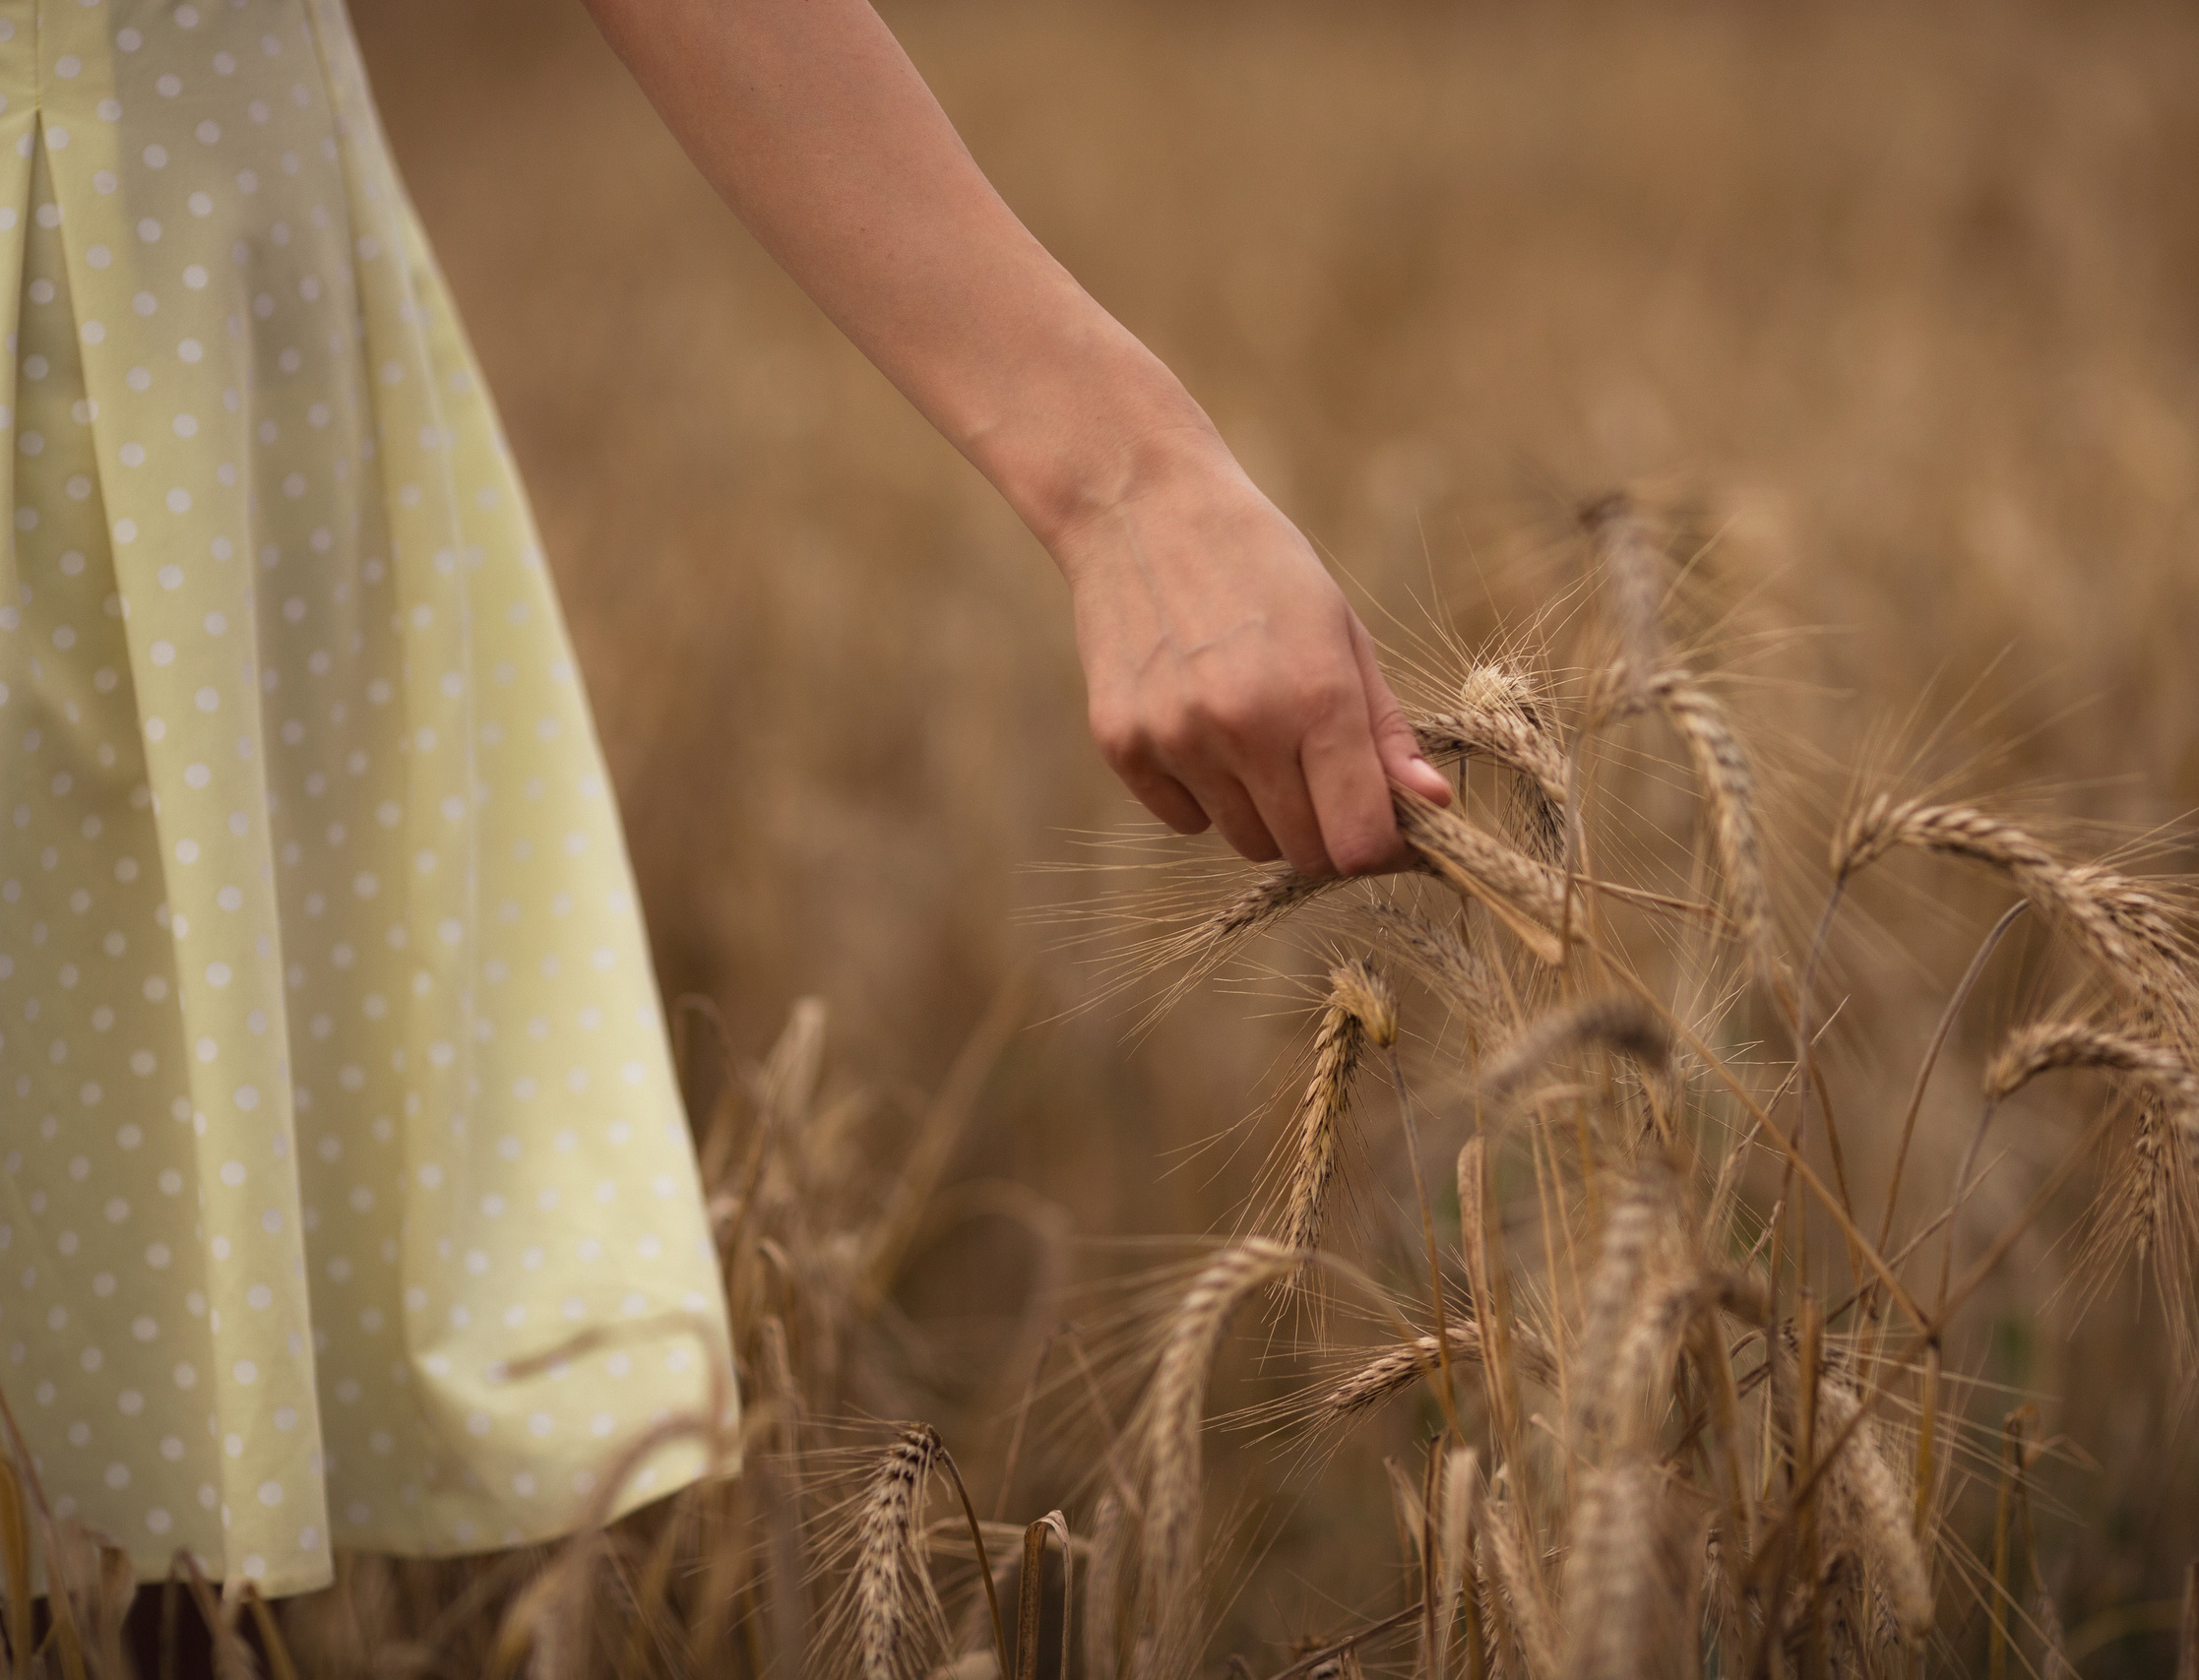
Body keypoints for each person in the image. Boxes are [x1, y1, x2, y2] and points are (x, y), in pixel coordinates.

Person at [0, 0, 1448, 1598]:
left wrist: (1131, 480)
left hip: (174, 359)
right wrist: (1129, 479)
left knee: (140, 1498)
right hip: (127, 335)